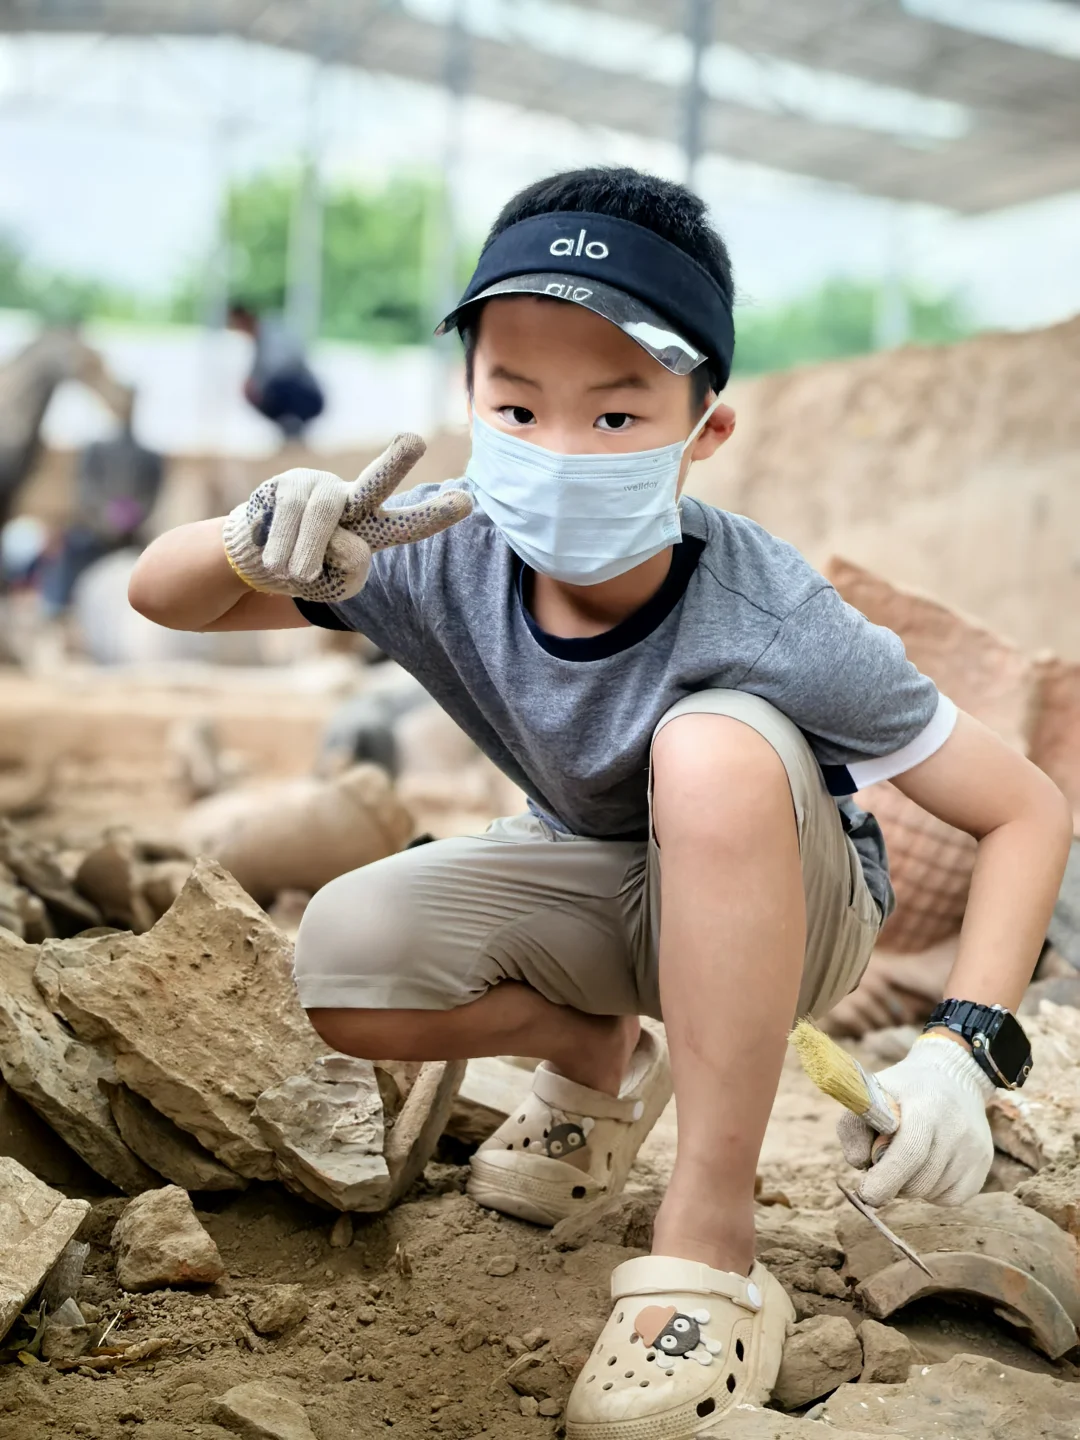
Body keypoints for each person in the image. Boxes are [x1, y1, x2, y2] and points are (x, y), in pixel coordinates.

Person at [129, 168, 1071, 1437]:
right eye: (516, 404)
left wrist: (968, 1044)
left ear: (705, 431)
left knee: (711, 747)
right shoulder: (430, 548)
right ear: (469, 400)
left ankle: (711, 1243)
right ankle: (597, 1061)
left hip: (795, 903)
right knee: (348, 961)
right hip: (603, 882)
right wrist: (252, 536)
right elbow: (162, 598)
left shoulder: (771, 613)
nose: (560, 448)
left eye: (618, 416)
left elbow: (1026, 810)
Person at [226, 301, 325, 442]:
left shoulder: (274, 332)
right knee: (256, 390)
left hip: (304, 392)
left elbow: (286, 363)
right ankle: (289, 427)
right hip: (291, 391)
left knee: (277, 384)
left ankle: (293, 423)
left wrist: (258, 382)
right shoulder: (259, 344)